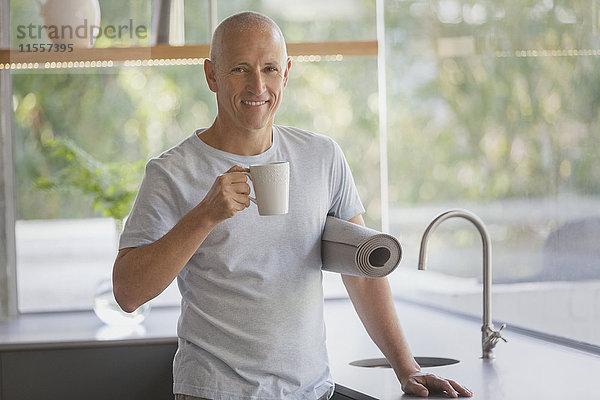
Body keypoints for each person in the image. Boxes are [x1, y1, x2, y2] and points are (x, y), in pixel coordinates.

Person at [112, 11, 473, 400]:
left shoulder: (321, 156)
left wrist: (407, 367)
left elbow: (362, 273)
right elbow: (128, 292)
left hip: (311, 391)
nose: (258, 85)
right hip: (213, 391)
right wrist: (204, 216)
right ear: (212, 75)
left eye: (269, 69)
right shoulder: (171, 172)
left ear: (285, 74)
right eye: (239, 69)